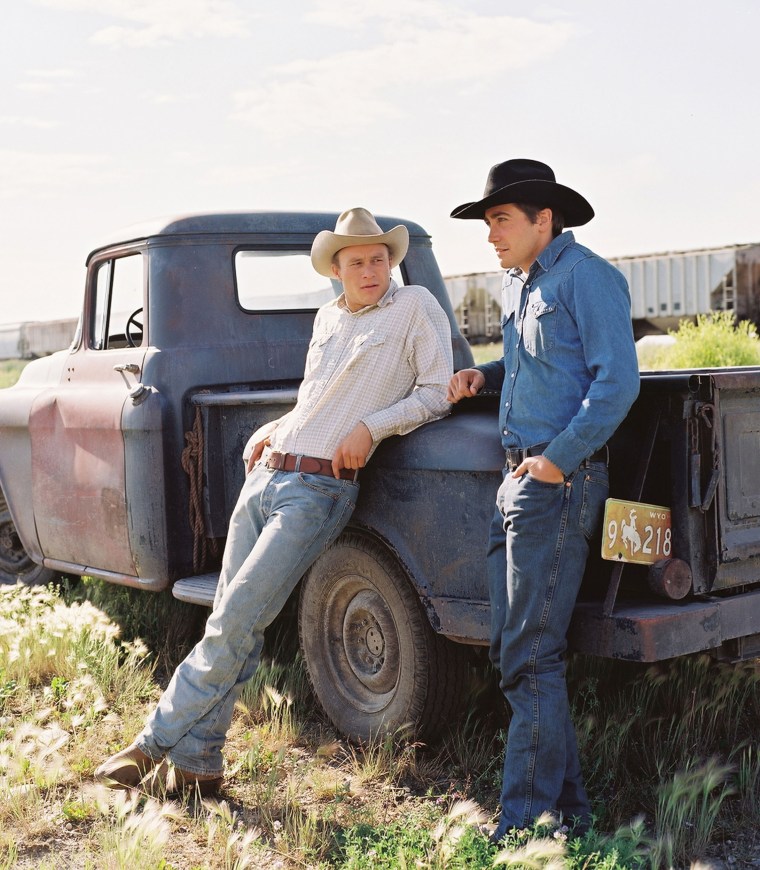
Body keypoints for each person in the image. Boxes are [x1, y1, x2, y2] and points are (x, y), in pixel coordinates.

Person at [95, 207, 453, 795]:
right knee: (229, 620)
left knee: (238, 618)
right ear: (335, 270)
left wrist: (374, 427)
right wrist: (279, 424)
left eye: (380, 258)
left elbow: (437, 391)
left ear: (392, 260)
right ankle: (200, 765)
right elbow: (318, 396)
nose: (371, 270)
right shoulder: (328, 319)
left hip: (317, 491)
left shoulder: (415, 308)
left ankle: (152, 743)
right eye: (357, 261)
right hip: (267, 476)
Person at [447, 159, 640, 839]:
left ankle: (525, 827)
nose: (491, 235)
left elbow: (616, 384)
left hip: (558, 485)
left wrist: (556, 462)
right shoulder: (521, 285)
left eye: (500, 219)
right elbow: (541, 364)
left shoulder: (588, 278)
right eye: (490, 222)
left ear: (542, 219)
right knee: (512, 650)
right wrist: (484, 374)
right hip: (517, 485)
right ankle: (571, 816)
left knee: (531, 653)